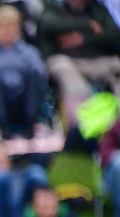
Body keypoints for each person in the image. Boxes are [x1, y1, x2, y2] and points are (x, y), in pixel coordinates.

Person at [0, 5, 48, 140]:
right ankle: (1, 128)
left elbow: (40, 76)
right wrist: (5, 82)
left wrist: (18, 84)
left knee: (33, 75)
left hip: (23, 101)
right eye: (3, 26)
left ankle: (30, 125)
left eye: (12, 26)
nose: (8, 31)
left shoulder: (28, 52)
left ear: (19, 28)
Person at [37, 0, 120, 128]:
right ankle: (81, 126)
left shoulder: (97, 8)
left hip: (99, 59)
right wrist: (88, 25)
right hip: (69, 60)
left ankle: (116, 128)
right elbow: (48, 25)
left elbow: (114, 35)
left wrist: (83, 39)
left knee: (117, 65)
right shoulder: (54, 7)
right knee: (64, 68)